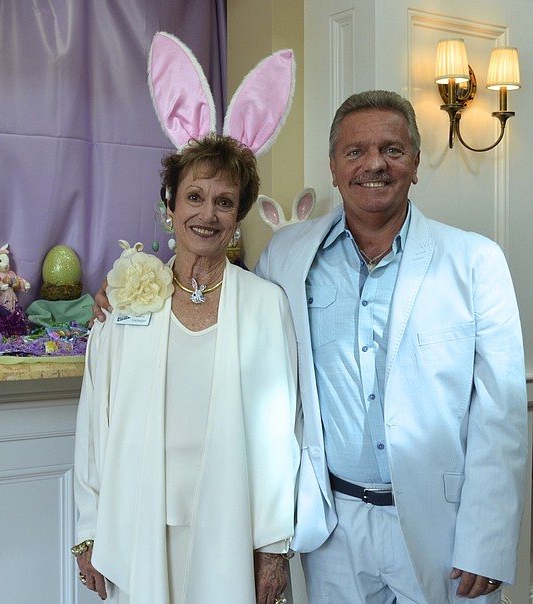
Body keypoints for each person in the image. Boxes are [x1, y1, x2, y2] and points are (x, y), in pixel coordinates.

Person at [95, 90, 527, 603]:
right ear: (332, 167)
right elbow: (226, 310)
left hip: (445, 529)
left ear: (415, 163)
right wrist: (132, 286)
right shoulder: (289, 254)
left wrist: (488, 539)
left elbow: (501, 412)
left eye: (392, 150)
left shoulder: (476, 261)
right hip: (332, 528)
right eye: (355, 151)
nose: (374, 164)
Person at [74, 135, 300, 604]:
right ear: (170, 206)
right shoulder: (126, 300)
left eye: (224, 202)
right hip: (138, 522)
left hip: (233, 526)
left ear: (238, 217)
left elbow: (283, 436)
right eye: (194, 197)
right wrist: (89, 528)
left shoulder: (265, 304)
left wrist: (274, 548)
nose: (207, 214)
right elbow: (96, 421)